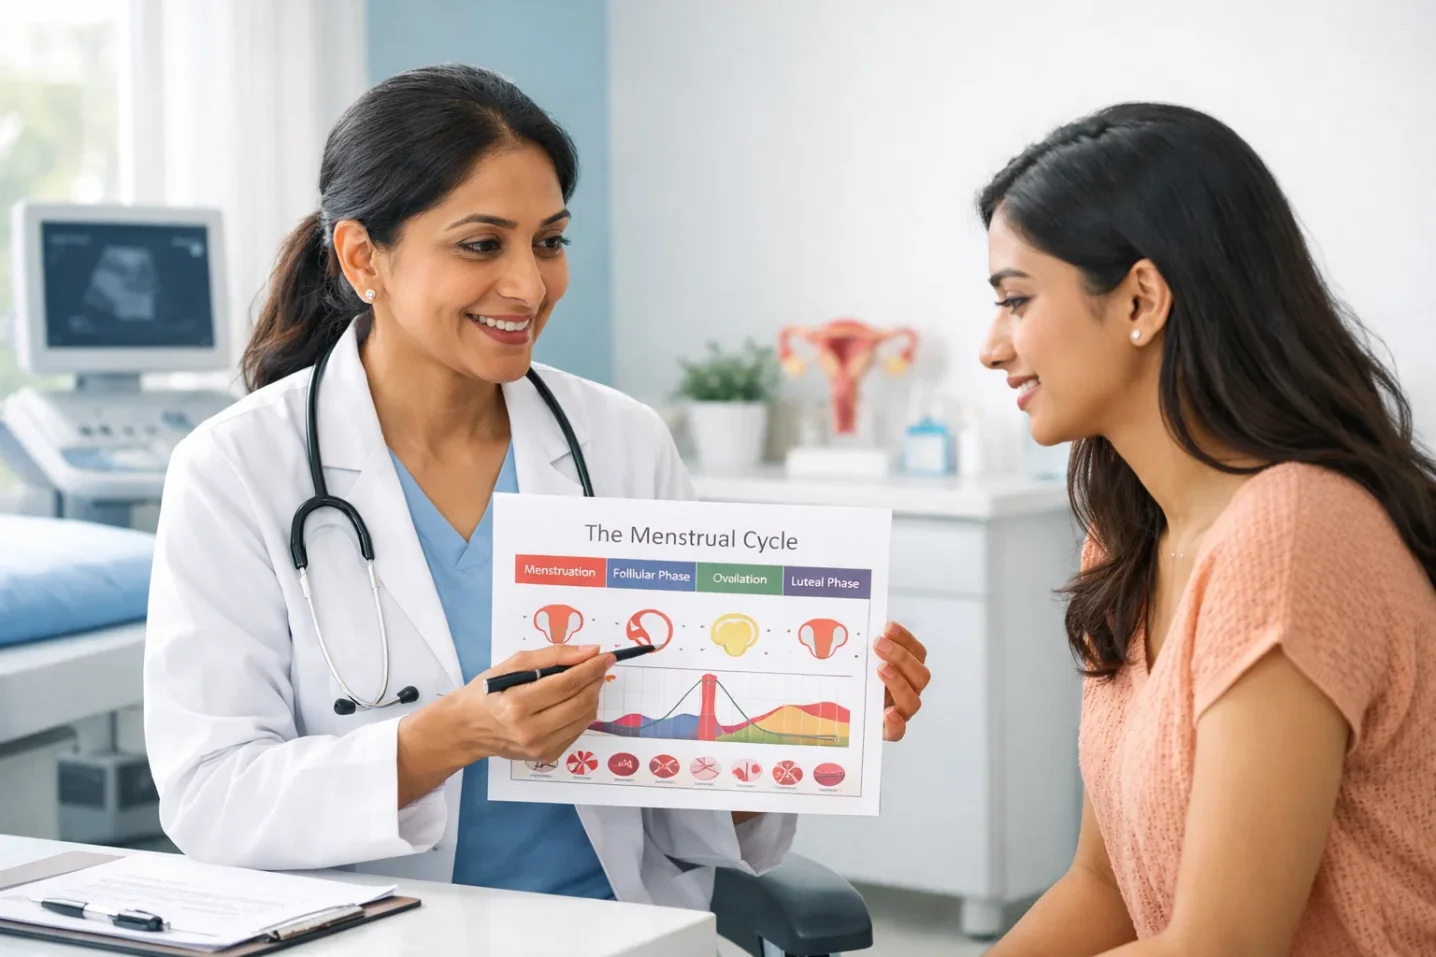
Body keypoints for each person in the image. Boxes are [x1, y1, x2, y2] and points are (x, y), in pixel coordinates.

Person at [141, 64, 931, 910]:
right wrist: (448, 737)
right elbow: (211, 795)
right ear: (363, 256)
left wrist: (810, 723)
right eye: (483, 244)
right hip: (373, 931)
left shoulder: (620, 443)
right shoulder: (237, 470)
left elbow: (687, 801)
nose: (529, 285)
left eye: (549, 241)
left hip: (610, 927)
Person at [976, 102, 1436, 956]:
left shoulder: (1295, 532)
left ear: (1142, 299)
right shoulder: (1127, 541)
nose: (990, 346)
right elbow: (1102, 888)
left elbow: (1219, 948)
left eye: (1016, 301)